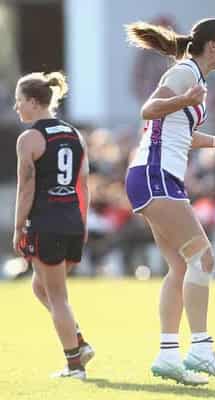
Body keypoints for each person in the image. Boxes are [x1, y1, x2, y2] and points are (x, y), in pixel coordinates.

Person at [125, 18, 215, 385]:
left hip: (157, 176)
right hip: (154, 175)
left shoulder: (195, 79)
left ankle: (167, 355)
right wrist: (184, 98)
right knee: (203, 257)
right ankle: (202, 349)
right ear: (212, 45)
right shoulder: (184, 74)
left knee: (180, 268)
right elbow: (148, 111)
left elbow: (179, 134)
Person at [13, 71, 94, 379]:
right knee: (41, 287)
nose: (17, 107)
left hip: (46, 222)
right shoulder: (75, 134)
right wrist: (83, 223)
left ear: (34, 102)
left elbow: (27, 188)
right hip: (72, 221)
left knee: (57, 296)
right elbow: (83, 184)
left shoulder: (30, 138)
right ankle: (79, 342)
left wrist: (18, 227)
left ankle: (75, 363)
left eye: (19, 101)